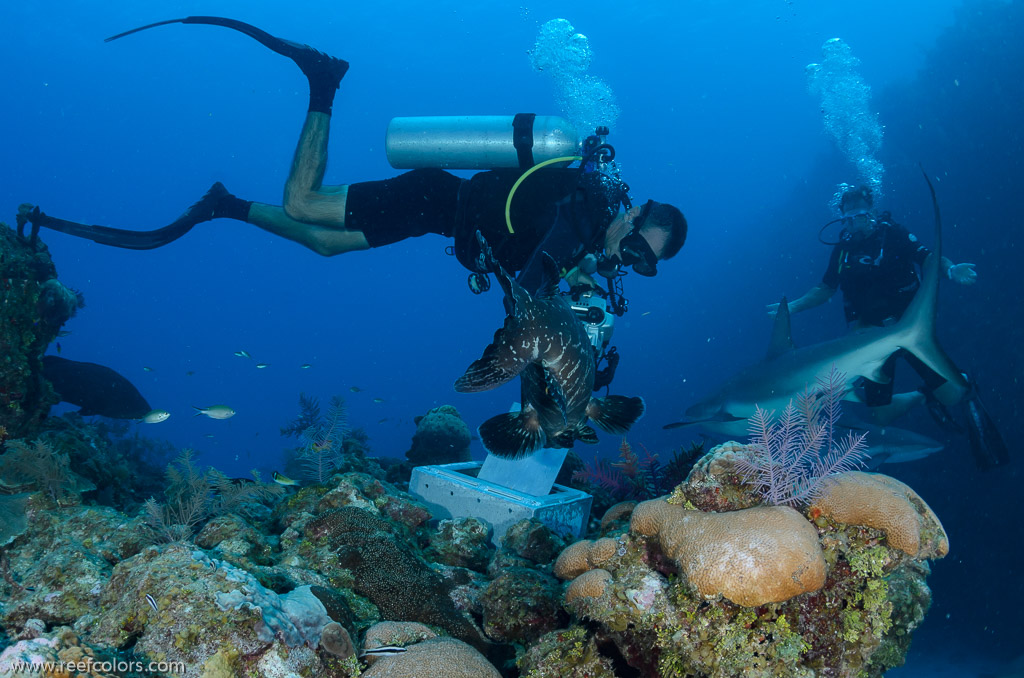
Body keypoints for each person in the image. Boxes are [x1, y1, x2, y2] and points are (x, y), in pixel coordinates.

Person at [22, 16, 687, 392]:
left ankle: (222, 206)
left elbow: (545, 286)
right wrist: (563, 369)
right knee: (304, 202)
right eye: (634, 246)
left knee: (323, 242)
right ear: (632, 217)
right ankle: (323, 79)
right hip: (434, 198)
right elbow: (533, 298)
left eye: (642, 264)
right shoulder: (581, 214)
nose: (626, 260)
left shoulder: (592, 224)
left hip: (441, 215)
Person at [767, 184, 977, 408]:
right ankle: (922, 395)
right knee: (880, 414)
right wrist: (792, 307)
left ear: (872, 213)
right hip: (868, 335)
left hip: (908, 323)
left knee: (953, 395)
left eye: (859, 216)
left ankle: (961, 387)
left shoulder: (894, 233)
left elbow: (927, 258)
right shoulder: (843, 249)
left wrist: (951, 270)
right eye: (847, 219)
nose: (853, 224)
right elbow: (825, 288)